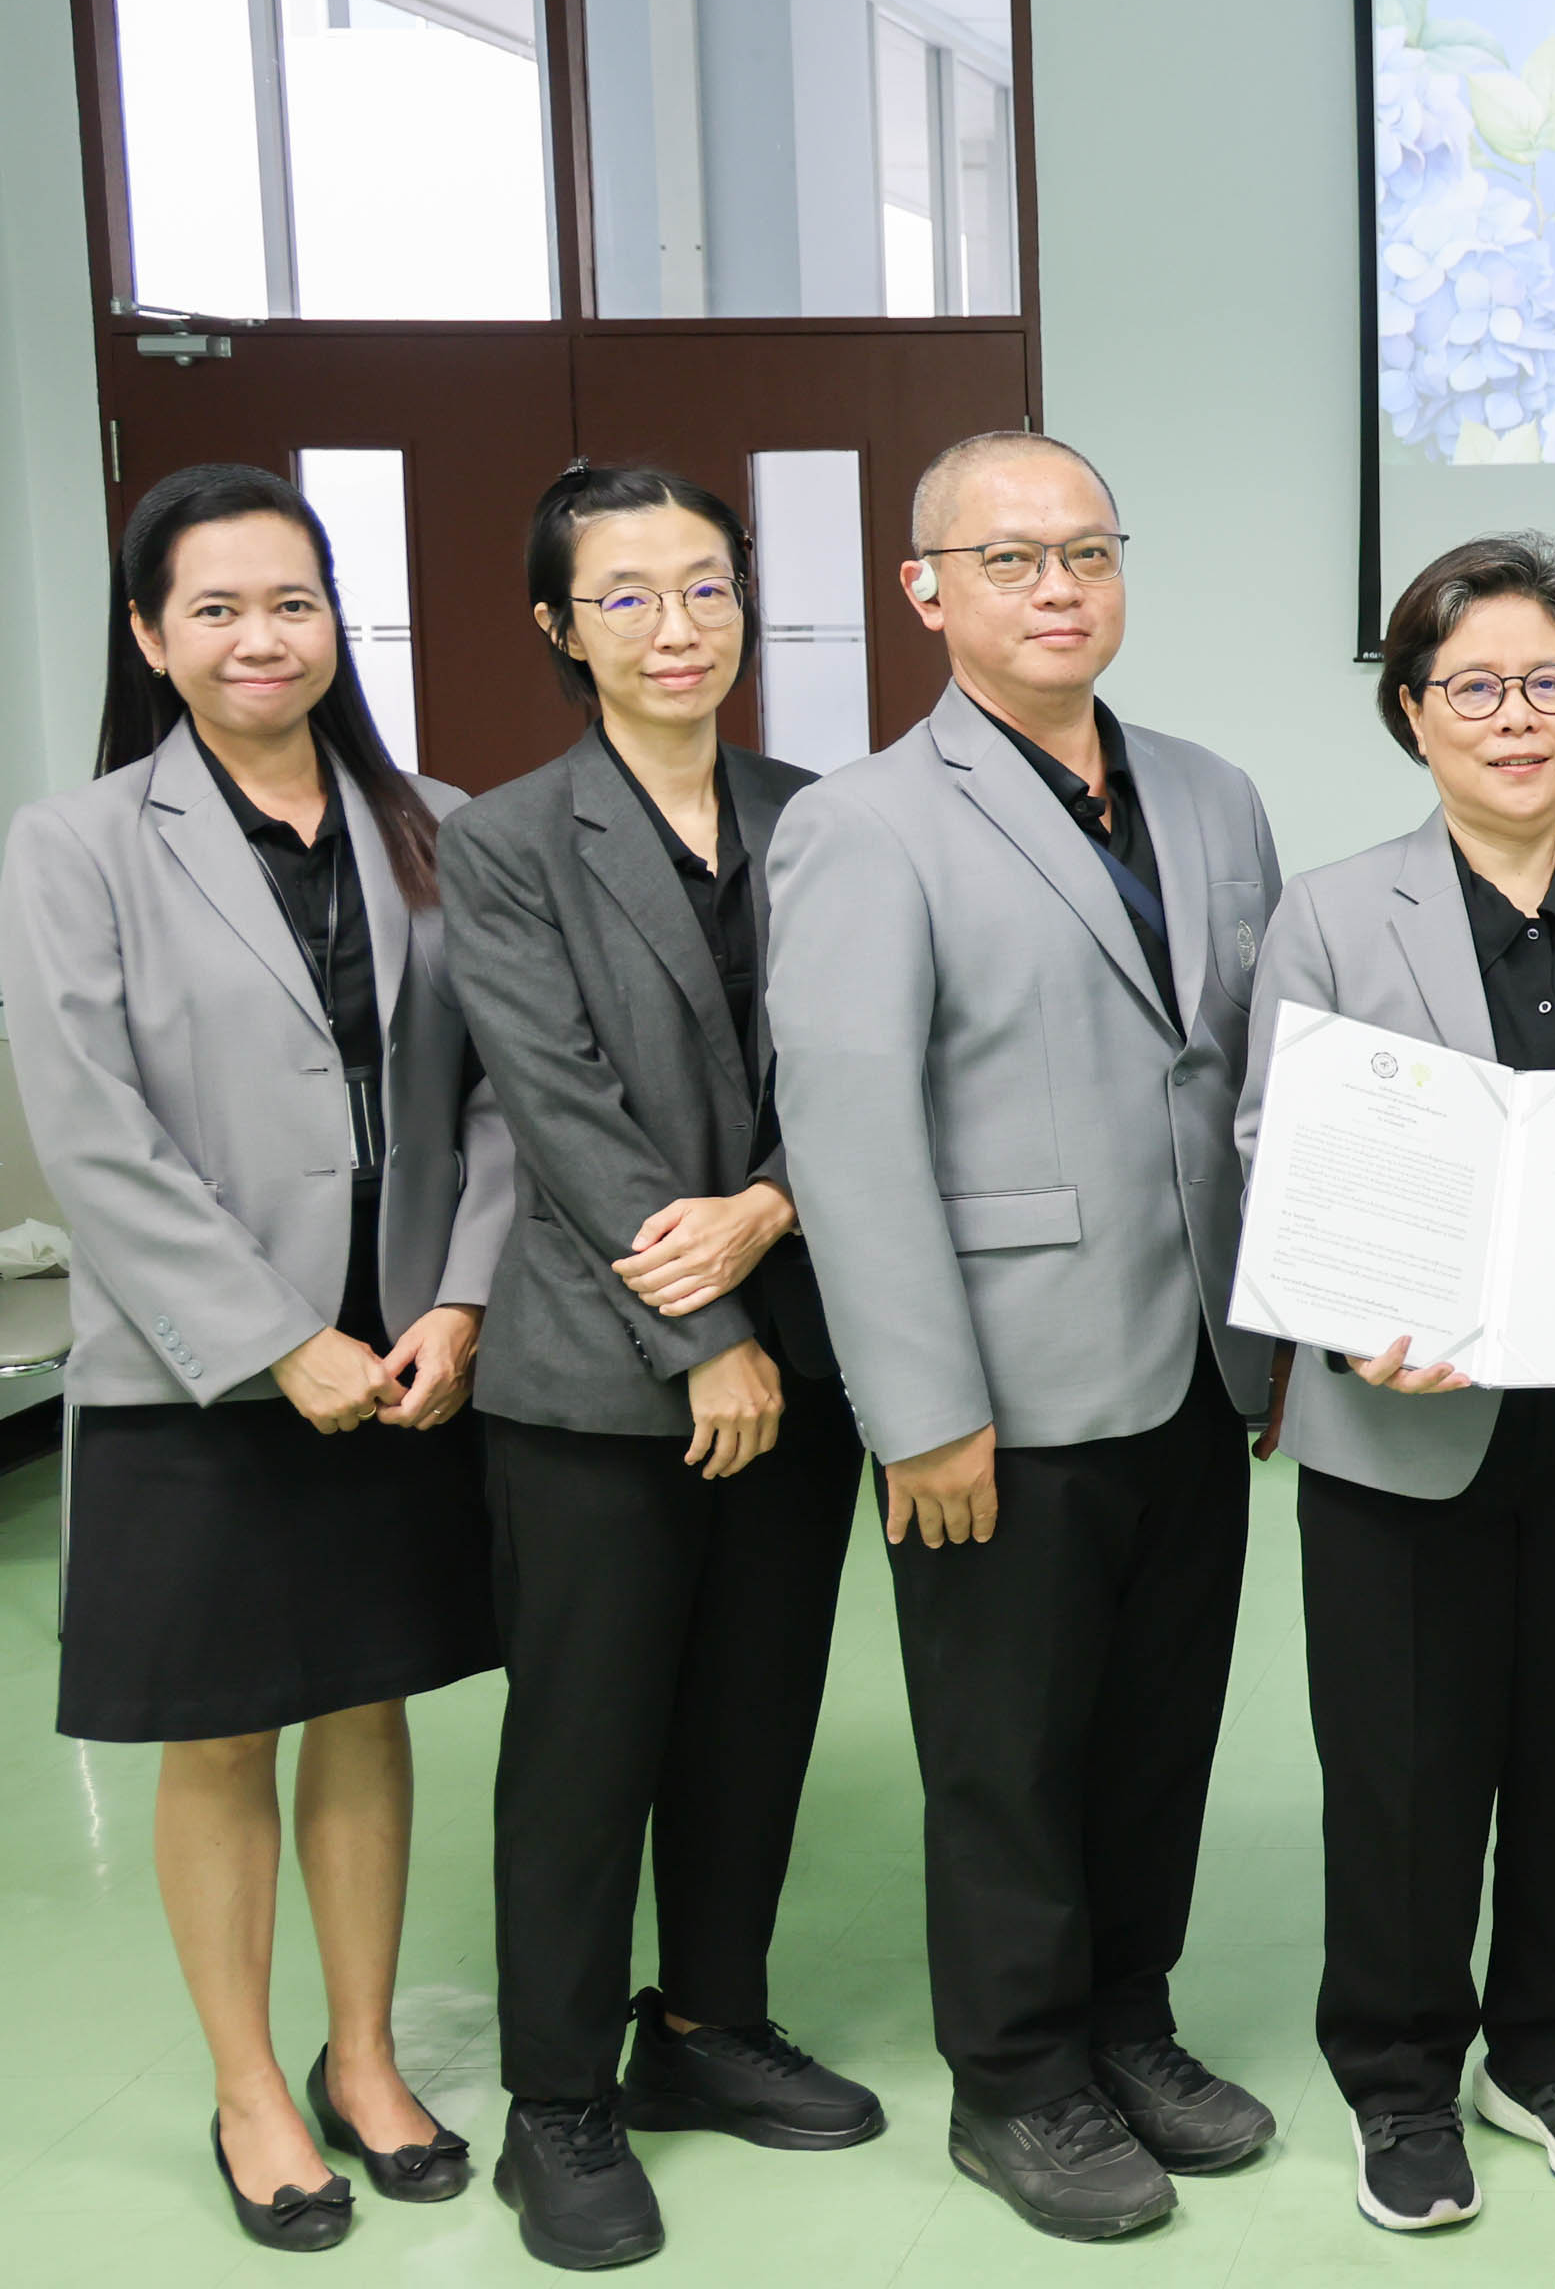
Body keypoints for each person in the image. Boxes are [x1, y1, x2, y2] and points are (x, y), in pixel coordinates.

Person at [765, 432, 1284, 2243]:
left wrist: (1282, 1328)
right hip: (994, 1391)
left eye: (1088, 552)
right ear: (927, 590)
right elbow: (849, 1134)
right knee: (1008, 1761)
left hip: (1196, 1362)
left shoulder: (1211, 796)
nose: (1059, 587)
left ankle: (1126, 2029)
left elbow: (1248, 1080)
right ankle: (1012, 2084)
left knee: (1158, 1735)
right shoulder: (864, 824)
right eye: (1011, 560)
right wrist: (920, 1410)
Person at [0, 463, 516, 2252]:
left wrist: (460, 1299)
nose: (259, 638)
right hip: (196, 1372)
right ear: (151, 638)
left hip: (407, 1354)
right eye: (213, 609)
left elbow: (502, 1093)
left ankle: (362, 2059)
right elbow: (91, 1130)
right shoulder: (76, 846)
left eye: (291, 602)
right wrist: (274, 1336)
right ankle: (247, 2091)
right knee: (218, 1736)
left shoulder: (436, 825)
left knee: (364, 1706)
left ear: (333, 623)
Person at [1236, 536, 1555, 2235]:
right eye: (1474, 687)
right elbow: (1274, 1142)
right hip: (1404, 1415)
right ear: (1412, 711)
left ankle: (1553, 2054)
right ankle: (1397, 2077)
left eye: (1547, 684)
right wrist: (1342, 1316)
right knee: (1403, 1771)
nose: (1516, 718)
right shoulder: (1331, 909)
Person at [439, 466, 882, 2268]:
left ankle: (705, 2026)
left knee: (753, 1716)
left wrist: (770, 1212)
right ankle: (556, 2102)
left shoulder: (818, 815)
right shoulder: (507, 840)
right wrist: (704, 1333)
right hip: (598, 1376)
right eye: (625, 596)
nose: (676, 626)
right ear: (560, 627)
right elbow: (558, 1109)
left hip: (807, 1340)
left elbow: (860, 1062)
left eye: (705, 586)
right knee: (584, 1745)